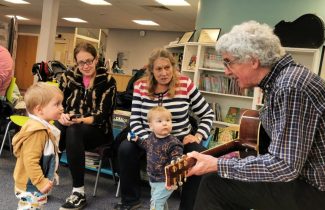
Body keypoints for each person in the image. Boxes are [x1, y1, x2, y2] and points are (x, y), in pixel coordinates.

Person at [187, 20, 325, 210]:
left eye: (229, 62)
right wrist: (229, 159)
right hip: (311, 182)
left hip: (322, 192)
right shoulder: (283, 80)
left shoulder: (290, 86)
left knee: (214, 184)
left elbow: (285, 166)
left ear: (253, 60)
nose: (226, 72)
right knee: (225, 179)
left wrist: (219, 165)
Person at [116, 48, 214, 210]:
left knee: (199, 156)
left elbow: (208, 114)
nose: (163, 73)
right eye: (158, 69)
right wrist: (149, 142)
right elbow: (134, 120)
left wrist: (198, 135)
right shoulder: (140, 86)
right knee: (125, 149)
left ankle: (188, 207)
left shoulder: (185, 84)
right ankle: (131, 202)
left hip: (179, 141)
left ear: (173, 67)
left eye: (167, 67)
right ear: (151, 71)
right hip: (147, 139)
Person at [55, 42, 117, 210]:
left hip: (97, 130)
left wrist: (78, 120)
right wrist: (61, 115)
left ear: (96, 59)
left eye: (89, 61)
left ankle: (78, 192)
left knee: (73, 130)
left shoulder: (108, 81)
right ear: (76, 62)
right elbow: (57, 101)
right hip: (71, 125)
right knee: (55, 128)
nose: (86, 66)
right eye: (81, 62)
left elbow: (102, 116)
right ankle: (43, 178)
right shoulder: (69, 76)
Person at [12, 82, 63, 210]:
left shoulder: (42, 126)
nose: (62, 108)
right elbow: (30, 160)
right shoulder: (37, 132)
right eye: (57, 104)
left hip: (34, 183)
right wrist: (41, 181)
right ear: (39, 110)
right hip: (31, 184)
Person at [130, 106, 183, 210]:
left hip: (166, 180)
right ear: (151, 126)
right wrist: (137, 139)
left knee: (155, 203)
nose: (165, 123)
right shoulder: (151, 137)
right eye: (159, 121)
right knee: (160, 202)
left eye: (168, 120)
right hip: (153, 178)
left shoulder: (173, 143)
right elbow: (146, 144)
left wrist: (175, 160)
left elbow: (177, 155)